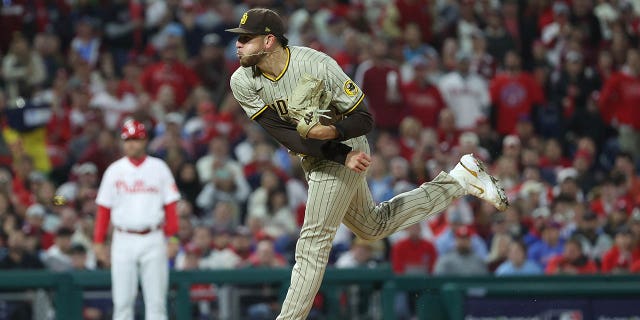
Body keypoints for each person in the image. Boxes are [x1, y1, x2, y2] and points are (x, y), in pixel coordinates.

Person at [226, 8, 508, 320]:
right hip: (323, 154)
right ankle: (459, 180)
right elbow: (286, 136)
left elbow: (364, 118)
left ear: (269, 41)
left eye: (245, 38)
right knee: (372, 226)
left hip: (345, 144)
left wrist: (334, 137)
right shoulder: (242, 81)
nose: (238, 45)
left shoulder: (315, 64)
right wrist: (335, 152)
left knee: (313, 242)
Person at [93, 119, 181, 320]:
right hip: (123, 238)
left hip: (153, 237)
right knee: (122, 303)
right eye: (128, 139)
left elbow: (170, 208)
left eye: (136, 139)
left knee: (157, 303)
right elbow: (103, 209)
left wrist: (173, 237)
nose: (132, 144)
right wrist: (98, 242)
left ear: (145, 141)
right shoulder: (114, 170)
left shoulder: (159, 168)